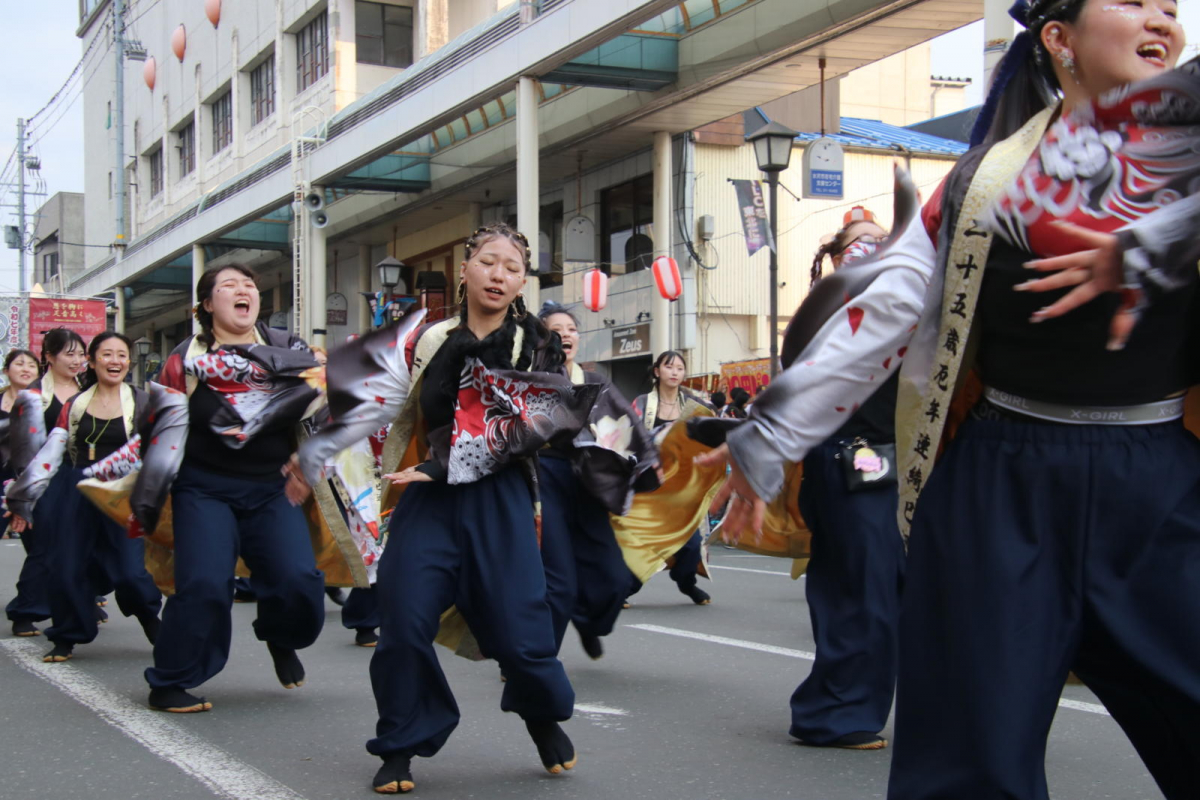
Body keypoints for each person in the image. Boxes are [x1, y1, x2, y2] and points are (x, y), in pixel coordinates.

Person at [705, 0, 1200, 796]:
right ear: (1059, 39)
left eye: (1172, 9)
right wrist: (768, 440)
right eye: (1135, 1)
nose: (1163, 21)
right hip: (1001, 487)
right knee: (970, 759)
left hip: (1164, 483)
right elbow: (886, 312)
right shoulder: (982, 181)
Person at [293, 223, 590, 794]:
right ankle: (400, 743)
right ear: (465, 268)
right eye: (489, 261)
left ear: (522, 280)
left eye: (512, 267)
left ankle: (539, 715)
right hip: (428, 502)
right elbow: (376, 401)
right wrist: (315, 447)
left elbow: (534, 425)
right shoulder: (427, 340)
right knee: (402, 624)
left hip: (498, 500)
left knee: (523, 639)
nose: (499, 274)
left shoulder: (538, 344)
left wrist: (442, 465)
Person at [144, 264, 327, 713]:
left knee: (298, 581)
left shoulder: (289, 348)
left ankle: (281, 636)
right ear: (208, 305)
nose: (243, 291)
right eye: (229, 286)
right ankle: (170, 681)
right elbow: (155, 427)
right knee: (204, 584)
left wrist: (309, 458)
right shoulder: (181, 360)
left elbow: (329, 405)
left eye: (249, 284)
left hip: (273, 487)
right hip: (202, 487)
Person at [785, 223, 904, 751]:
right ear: (836, 257)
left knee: (885, 591)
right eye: (859, 240)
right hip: (851, 461)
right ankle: (835, 712)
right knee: (862, 591)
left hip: (904, 467)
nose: (873, 243)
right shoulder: (830, 306)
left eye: (882, 235)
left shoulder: (911, 299)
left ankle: (834, 704)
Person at [8, 333, 164, 663]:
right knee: (65, 565)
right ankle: (66, 635)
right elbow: (50, 453)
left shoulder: (142, 400)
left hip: (122, 489)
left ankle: (150, 618)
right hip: (74, 485)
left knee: (130, 570)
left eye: (122, 355)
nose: (115, 361)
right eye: (106, 354)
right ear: (92, 362)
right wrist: (21, 497)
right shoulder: (73, 404)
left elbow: (160, 450)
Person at [537, 301, 657, 660]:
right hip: (544, 476)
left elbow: (626, 427)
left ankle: (588, 621)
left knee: (614, 578)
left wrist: (647, 463)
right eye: (556, 330)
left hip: (590, 481)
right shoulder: (527, 377)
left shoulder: (594, 381)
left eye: (571, 330)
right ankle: (536, 661)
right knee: (558, 582)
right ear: (541, 339)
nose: (566, 335)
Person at [4, 331, 86, 636]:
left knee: (87, 545)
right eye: (69, 354)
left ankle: (83, 601)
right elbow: (25, 454)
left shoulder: (91, 387)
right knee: (46, 546)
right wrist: (25, 498)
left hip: (87, 475)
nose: (77, 361)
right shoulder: (33, 396)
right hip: (47, 477)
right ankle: (25, 611)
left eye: (81, 354)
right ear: (48, 357)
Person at [630, 351, 713, 606]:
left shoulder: (694, 405)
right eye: (669, 367)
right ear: (657, 372)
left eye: (680, 368)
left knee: (691, 544)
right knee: (641, 544)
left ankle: (686, 582)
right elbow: (629, 441)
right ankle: (623, 589)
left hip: (682, 487)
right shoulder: (642, 404)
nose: (675, 372)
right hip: (649, 485)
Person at [1, 349, 40, 544]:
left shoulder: (45, 404)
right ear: (6, 370)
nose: (26, 369)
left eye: (32, 365)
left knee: (38, 544)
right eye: (20, 364)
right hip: (1, 478)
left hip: (32, 482)